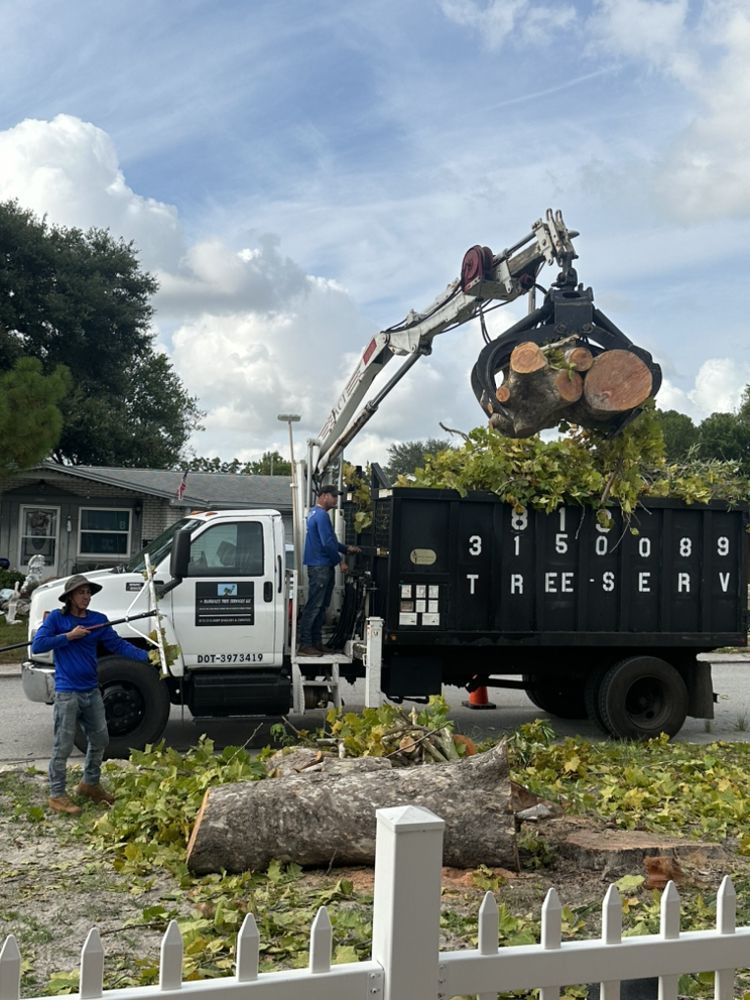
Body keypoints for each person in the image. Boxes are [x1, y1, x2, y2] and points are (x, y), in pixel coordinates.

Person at [31, 574, 150, 815]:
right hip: (67, 692)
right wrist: (68, 637)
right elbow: (38, 645)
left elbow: (119, 645)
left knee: (100, 740)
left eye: (88, 592)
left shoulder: (98, 621)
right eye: (81, 592)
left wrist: (148, 658)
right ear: (70, 597)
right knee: (62, 746)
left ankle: (90, 784)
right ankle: (56, 795)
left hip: (91, 691)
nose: (85, 596)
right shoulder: (57, 618)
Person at [298, 485, 360, 656]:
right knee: (315, 605)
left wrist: (346, 548)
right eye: (333, 496)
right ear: (323, 496)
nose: (335, 499)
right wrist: (340, 561)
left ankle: (316, 642)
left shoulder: (314, 513)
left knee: (321, 605)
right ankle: (306, 643)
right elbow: (327, 543)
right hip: (321, 566)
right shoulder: (323, 516)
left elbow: (330, 541)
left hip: (318, 565)